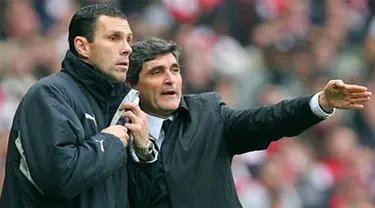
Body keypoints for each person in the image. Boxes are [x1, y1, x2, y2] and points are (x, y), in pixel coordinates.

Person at [125, 37, 372, 208]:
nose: (170, 79)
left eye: (175, 70)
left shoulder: (207, 113)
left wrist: (320, 102)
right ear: (133, 84)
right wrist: (143, 151)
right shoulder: (119, 134)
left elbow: (268, 120)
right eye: (157, 72)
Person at [0, 4, 158, 208]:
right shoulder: (49, 95)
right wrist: (109, 142)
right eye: (113, 38)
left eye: (128, 39)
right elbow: (59, 179)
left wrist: (144, 154)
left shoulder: (125, 104)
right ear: (82, 46)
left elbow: (142, 200)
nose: (127, 48)